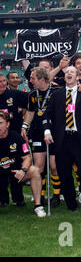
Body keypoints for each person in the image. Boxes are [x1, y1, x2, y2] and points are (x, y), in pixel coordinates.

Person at [43, 65, 81, 211]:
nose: (69, 74)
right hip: (61, 139)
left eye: (72, 72)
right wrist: (47, 131)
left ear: (78, 77)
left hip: (79, 138)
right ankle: (70, 203)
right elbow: (47, 114)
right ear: (64, 77)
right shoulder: (57, 94)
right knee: (64, 173)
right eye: (67, 72)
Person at [22, 67, 62, 206]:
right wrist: (24, 126)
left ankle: (57, 195)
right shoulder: (32, 94)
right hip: (37, 132)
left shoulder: (57, 91)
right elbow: (30, 112)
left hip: (54, 131)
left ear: (42, 79)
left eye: (33, 78)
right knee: (39, 167)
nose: (30, 81)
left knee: (54, 165)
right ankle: (41, 195)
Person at [0, 111, 45, 217]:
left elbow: (27, 157)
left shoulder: (16, 137)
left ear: (7, 124)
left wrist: (23, 170)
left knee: (35, 170)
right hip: (0, 175)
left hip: (16, 173)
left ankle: (38, 206)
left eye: (0, 123)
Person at [0, 72, 28, 206]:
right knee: (1, 170)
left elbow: (32, 100)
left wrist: (24, 126)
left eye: (3, 81)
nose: (2, 84)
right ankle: (2, 199)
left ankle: (18, 199)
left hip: (14, 138)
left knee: (15, 168)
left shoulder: (14, 94)